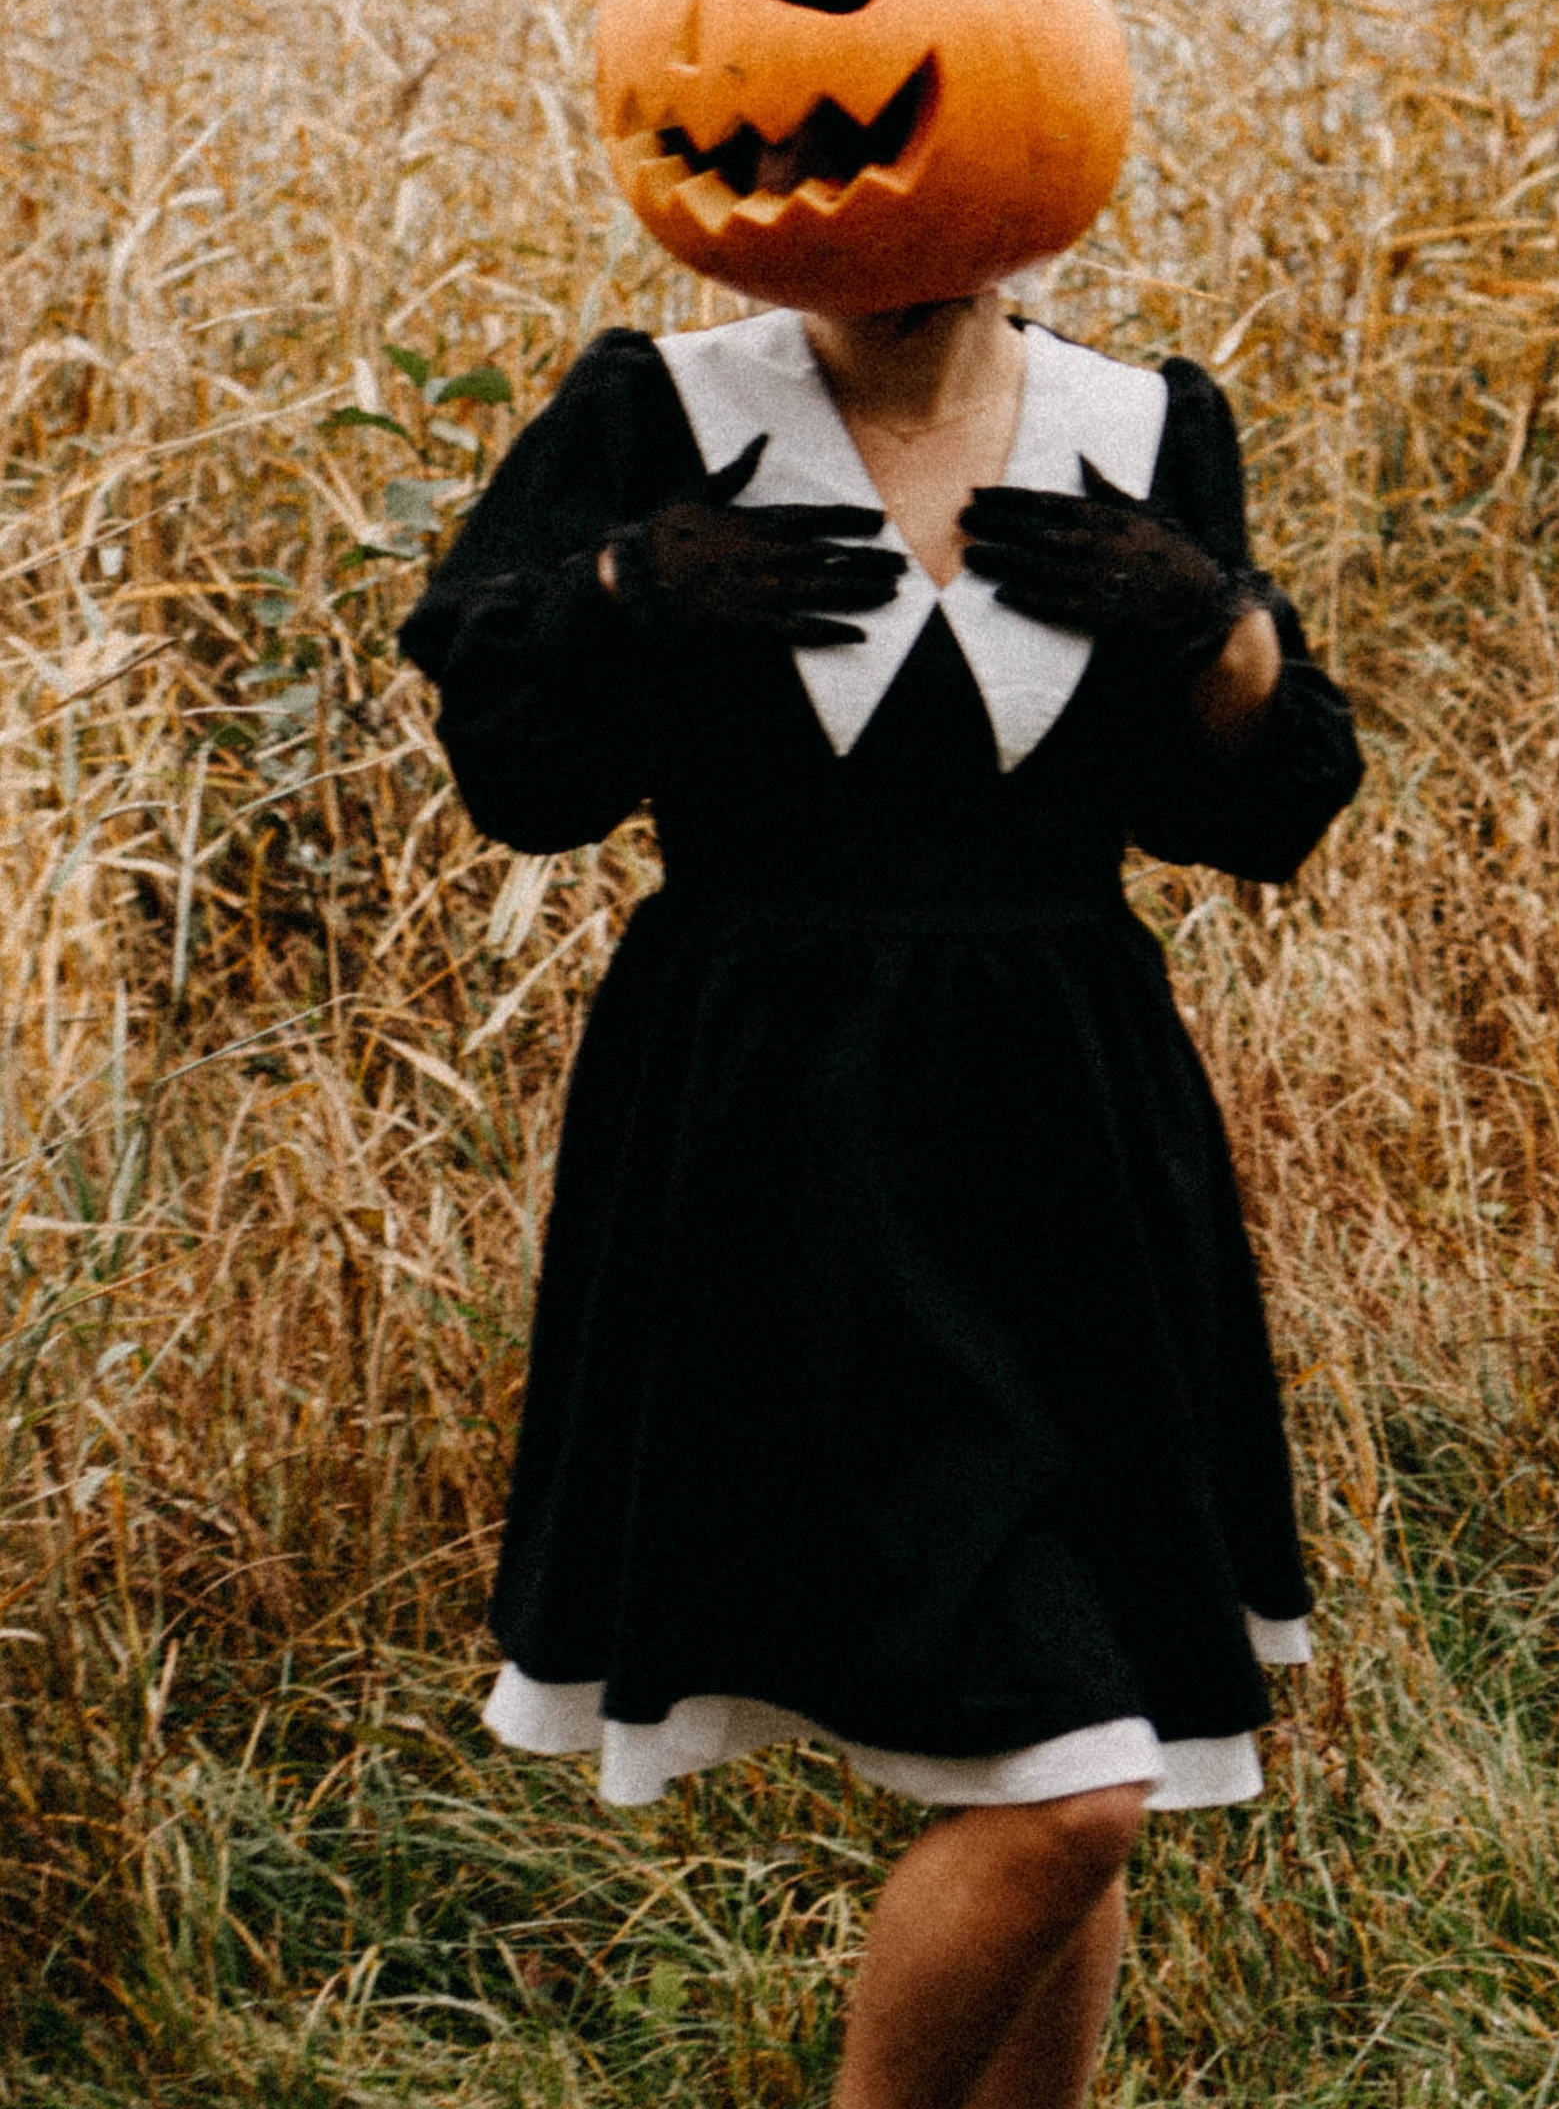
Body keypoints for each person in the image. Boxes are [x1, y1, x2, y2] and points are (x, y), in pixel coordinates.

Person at [400, 273, 1360, 2109]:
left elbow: (1261, 817)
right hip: (769, 1135)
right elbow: (521, 784)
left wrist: (1223, 633)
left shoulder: (1148, 421)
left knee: (1078, 1756)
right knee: (1070, 1782)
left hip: (1068, 1139)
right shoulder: (656, 413)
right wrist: (618, 596)